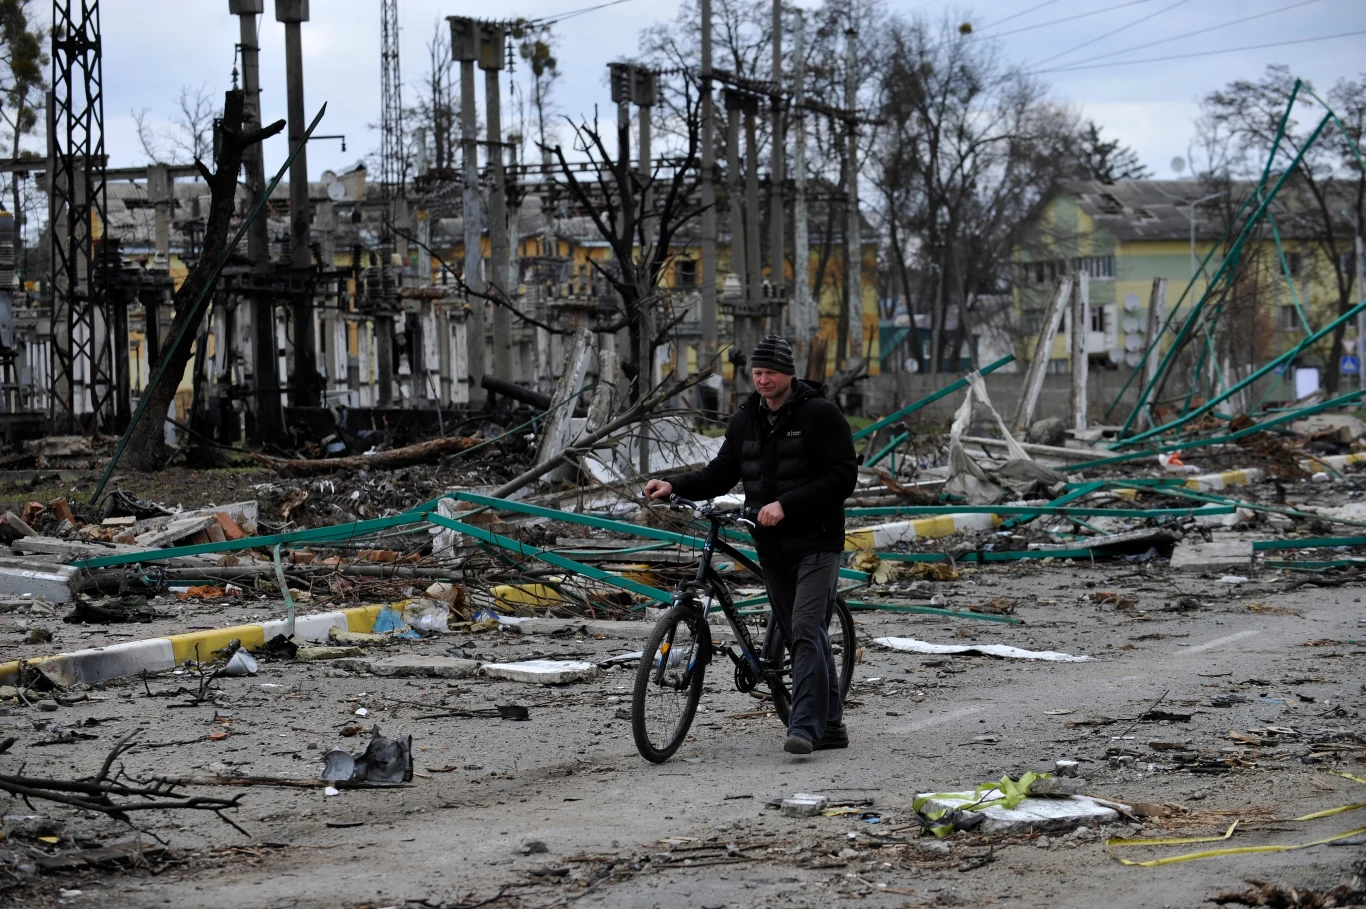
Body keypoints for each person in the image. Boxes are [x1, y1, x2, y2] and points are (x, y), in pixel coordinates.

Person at [644, 335, 857, 755]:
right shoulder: (746, 418)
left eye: (770, 373)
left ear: (788, 374)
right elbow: (721, 472)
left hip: (817, 540)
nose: (762, 380)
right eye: (757, 373)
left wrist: (786, 505)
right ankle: (831, 726)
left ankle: (804, 727)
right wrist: (674, 484)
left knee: (804, 628)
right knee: (804, 634)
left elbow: (842, 478)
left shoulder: (821, 415)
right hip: (772, 544)